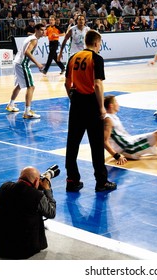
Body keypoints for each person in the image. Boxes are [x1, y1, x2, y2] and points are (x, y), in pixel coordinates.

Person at [65, 30, 117, 193]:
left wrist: (73, 99)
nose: (100, 46)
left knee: (72, 144)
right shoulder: (96, 58)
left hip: (76, 103)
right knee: (96, 144)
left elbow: (67, 83)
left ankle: (72, 180)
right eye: (100, 43)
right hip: (91, 104)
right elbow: (97, 85)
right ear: (96, 43)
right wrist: (101, 106)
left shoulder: (73, 57)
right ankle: (101, 182)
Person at [0, 166, 56, 259]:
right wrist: (47, 189)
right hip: (22, 250)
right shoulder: (37, 196)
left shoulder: (4, 187)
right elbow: (51, 213)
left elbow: (21, 197)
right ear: (36, 181)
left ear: (19, 178)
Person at [5, 23, 45, 119]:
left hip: (17, 62)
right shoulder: (34, 40)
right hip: (22, 64)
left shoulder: (30, 37)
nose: (44, 32)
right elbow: (26, 52)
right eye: (42, 30)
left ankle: (10, 105)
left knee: (19, 85)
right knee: (31, 87)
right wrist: (38, 64)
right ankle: (27, 112)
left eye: (44, 30)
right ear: (36, 30)